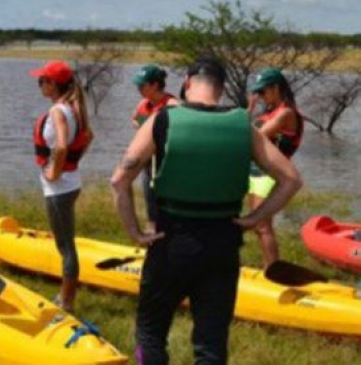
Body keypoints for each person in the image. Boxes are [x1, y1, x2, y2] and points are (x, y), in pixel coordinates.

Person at [110, 57, 301, 365]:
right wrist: (253, 219)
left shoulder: (163, 119)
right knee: (211, 343)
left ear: (187, 83)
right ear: (222, 87)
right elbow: (291, 180)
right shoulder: (242, 124)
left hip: (170, 242)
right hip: (223, 244)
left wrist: (134, 231)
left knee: (150, 332)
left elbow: (119, 180)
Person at [29, 60, 93, 314]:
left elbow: (63, 145)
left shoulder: (58, 111)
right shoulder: (72, 107)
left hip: (60, 189)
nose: (39, 85)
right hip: (69, 184)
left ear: (53, 84)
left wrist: (54, 173)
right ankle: (65, 296)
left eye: (42, 81)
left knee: (65, 246)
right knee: (65, 243)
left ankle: (66, 302)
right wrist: (70, 165)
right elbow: (89, 137)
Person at [247, 67, 304, 267]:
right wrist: (250, 110)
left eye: (263, 92)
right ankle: (267, 266)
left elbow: (255, 136)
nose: (261, 96)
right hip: (255, 173)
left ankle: (272, 271)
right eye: (258, 93)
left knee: (262, 225)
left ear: (276, 88)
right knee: (258, 227)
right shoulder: (269, 112)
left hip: (270, 175)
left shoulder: (286, 114)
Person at [130, 64, 178, 234]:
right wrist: (143, 131)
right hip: (147, 162)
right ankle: (152, 234)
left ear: (155, 86)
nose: (139, 89)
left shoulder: (172, 104)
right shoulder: (144, 104)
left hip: (165, 164)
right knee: (150, 199)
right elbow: (134, 119)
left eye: (142, 85)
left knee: (167, 203)